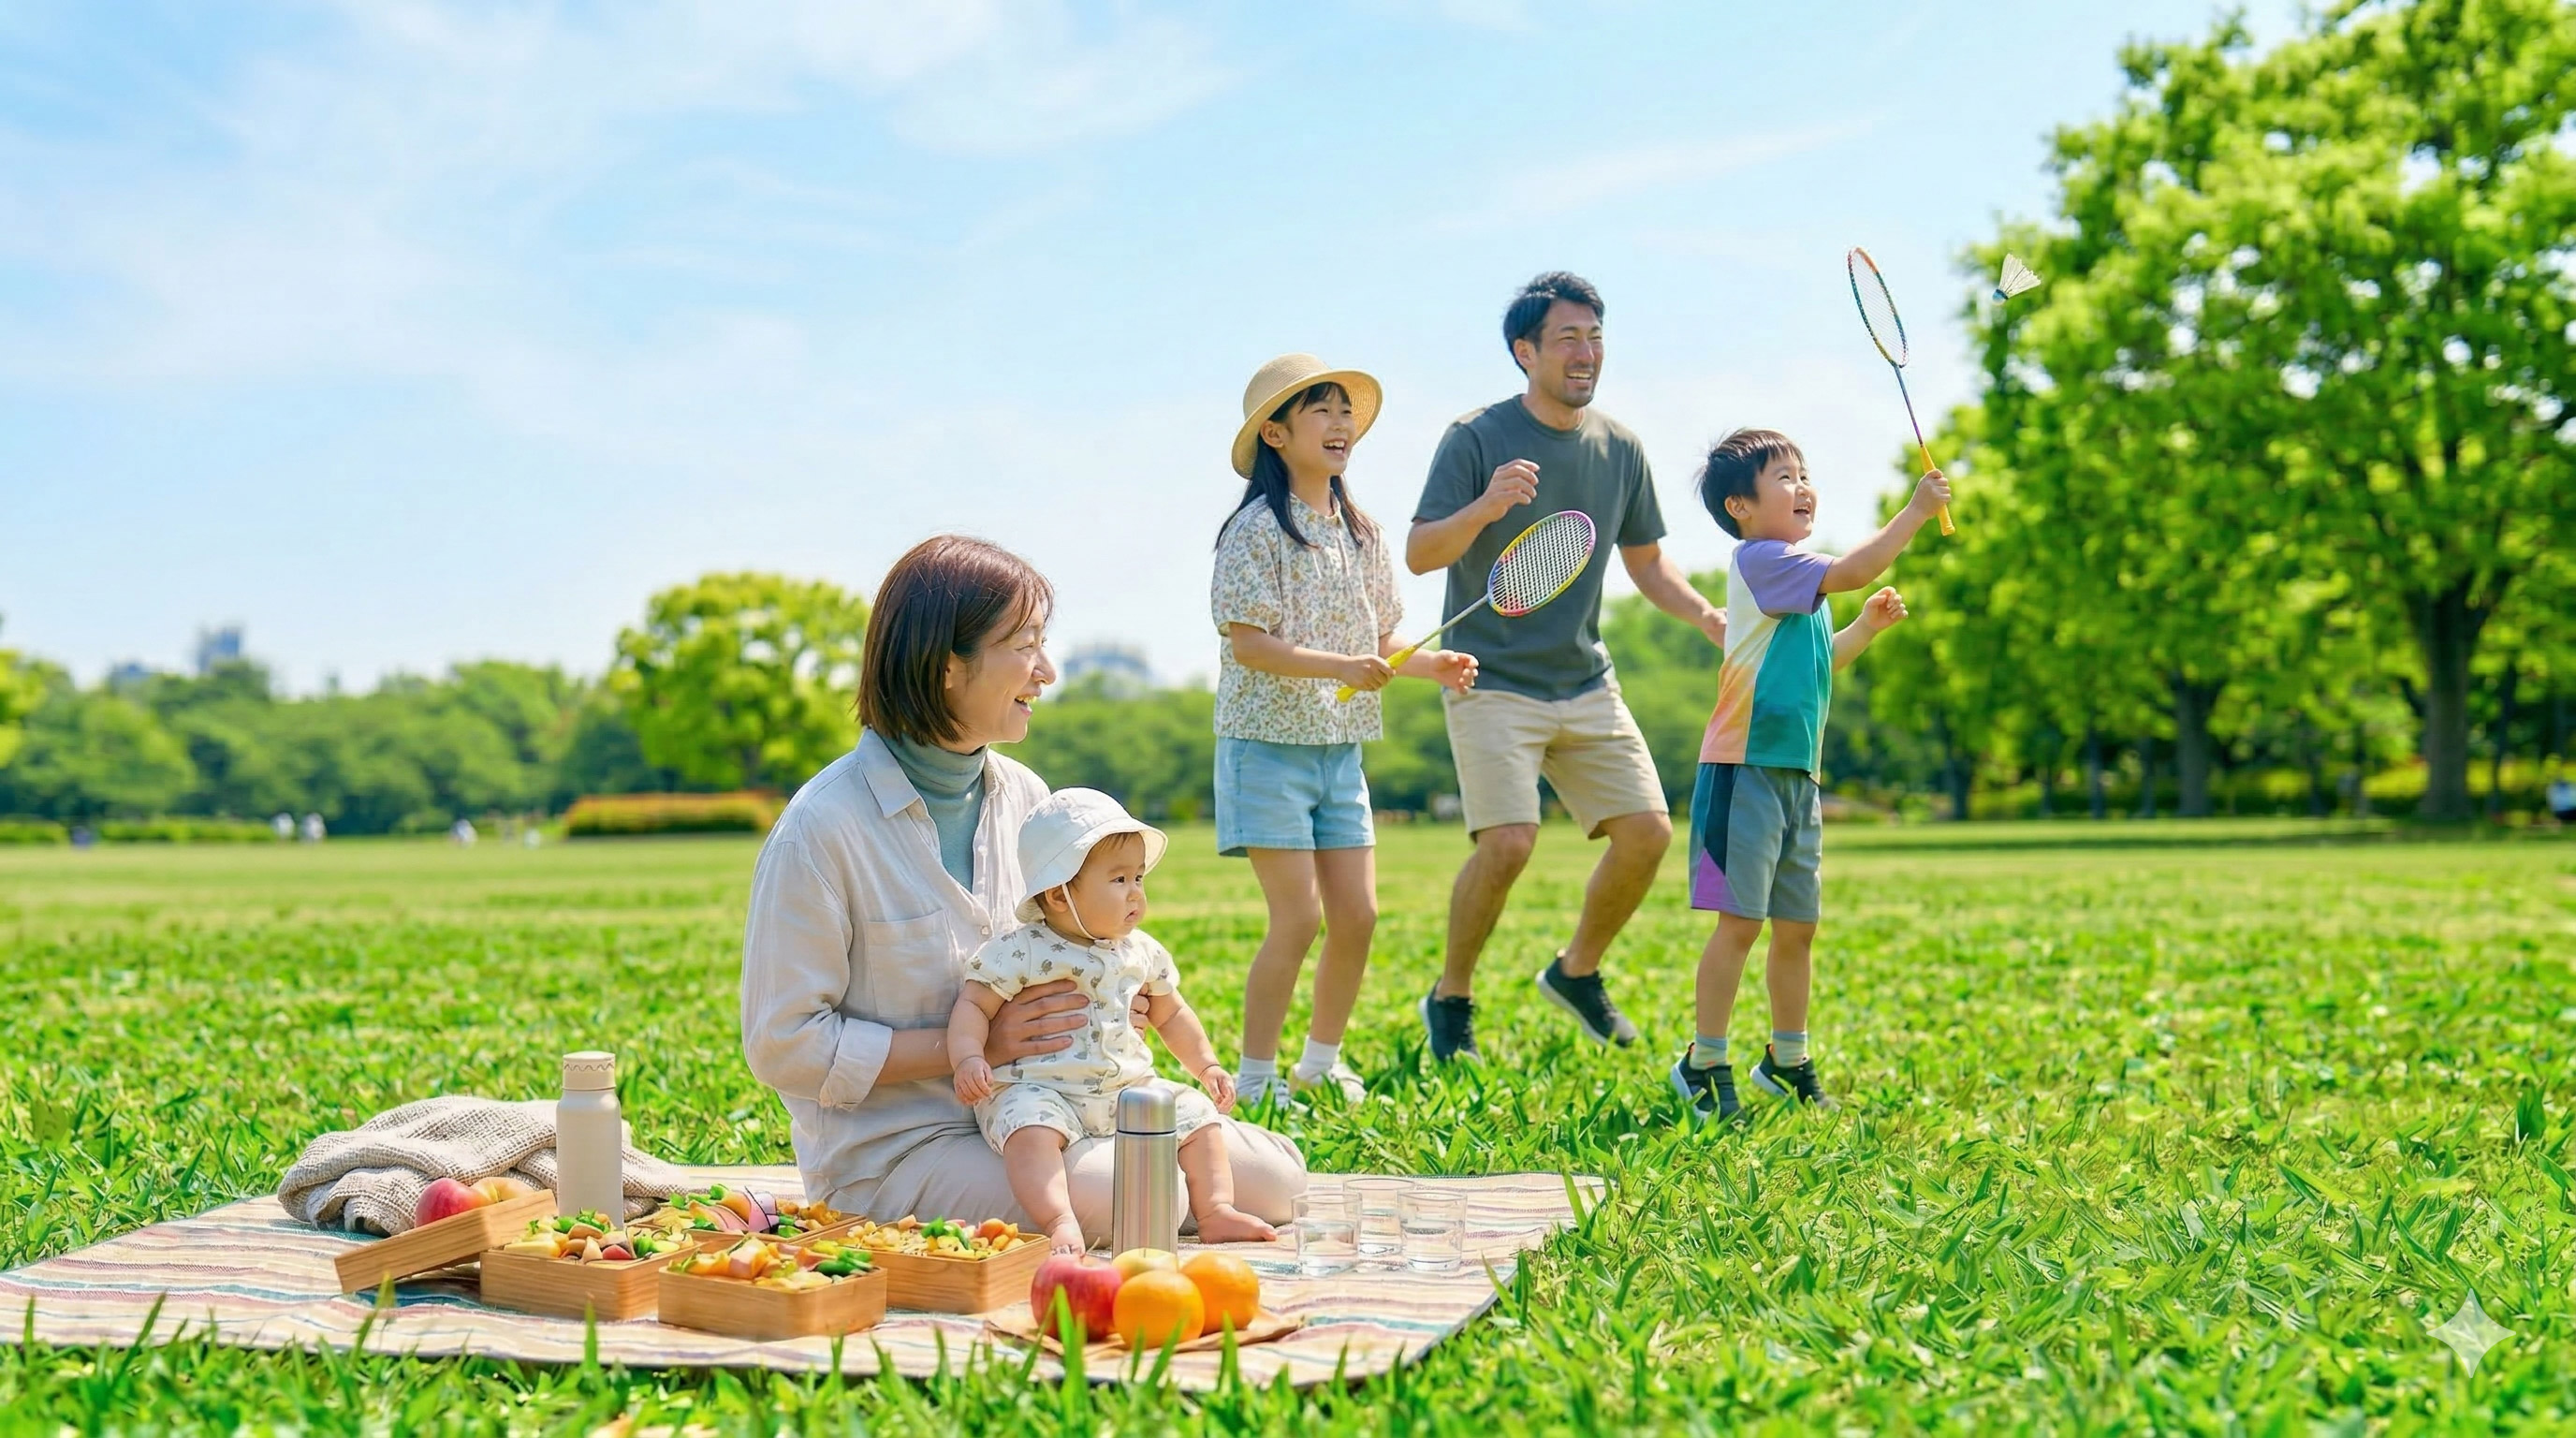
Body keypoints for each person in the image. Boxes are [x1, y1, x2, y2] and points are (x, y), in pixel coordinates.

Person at [739, 535, 1308, 1229]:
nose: (1047, 673)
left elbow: (1062, 946)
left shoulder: (1026, 799)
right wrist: (984, 1043)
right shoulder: (821, 829)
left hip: (1060, 1107)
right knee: (1147, 1197)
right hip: (902, 1150)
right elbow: (783, 1044)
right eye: (1025, 646)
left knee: (1276, 1183)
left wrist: (1105, 999)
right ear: (948, 666)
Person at [1406, 271, 1727, 1062]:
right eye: (1567, 339)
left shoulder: (1619, 448)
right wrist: (1485, 506)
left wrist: (1706, 616)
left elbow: (1650, 565)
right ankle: (1451, 999)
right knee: (1510, 842)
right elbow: (1420, 555)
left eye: (1595, 336)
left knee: (1649, 833)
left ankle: (1576, 973)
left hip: (1585, 680)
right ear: (1525, 352)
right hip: (1490, 681)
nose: (1585, 353)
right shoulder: (1475, 436)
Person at [1210, 355, 1478, 1106]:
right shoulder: (1255, 530)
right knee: (1298, 919)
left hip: (1339, 753)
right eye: (1320, 411)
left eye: (1344, 411)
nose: (1340, 424)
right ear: (1275, 433)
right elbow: (1250, 644)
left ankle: (1320, 1063)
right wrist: (1344, 666)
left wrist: (1433, 664)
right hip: (1266, 748)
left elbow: (1384, 645)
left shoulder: (1363, 533)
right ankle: (1257, 1079)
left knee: (1357, 916)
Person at [1668, 429, 1948, 1117]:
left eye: (1805, 473)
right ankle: (1704, 1062)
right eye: (1784, 476)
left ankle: (1786, 1059)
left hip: (1797, 775)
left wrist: (1865, 630)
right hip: (1744, 769)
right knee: (1740, 923)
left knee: (1797, 926)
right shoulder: (1763, 561)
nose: (1803, 486)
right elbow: (1853, 569)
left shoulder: (1797, 583)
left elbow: (1824, 658)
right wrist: (1913, 513)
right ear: (1740, 505)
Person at [948, 788, 1276, 1252]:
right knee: (1029, 1131)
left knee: (1197, 1117)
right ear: (1059, 894)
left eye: (1139, 877)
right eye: (1119, 879)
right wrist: (967, 1058)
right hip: (1043, 1091)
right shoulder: (1019, 950)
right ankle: (1059, 1219)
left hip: (1125, 1090)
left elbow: (1172, 1012)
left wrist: (1205, 1066)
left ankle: (1215, 1210)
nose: (1136, 894)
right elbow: (973, 1006)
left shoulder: (1139, 950)